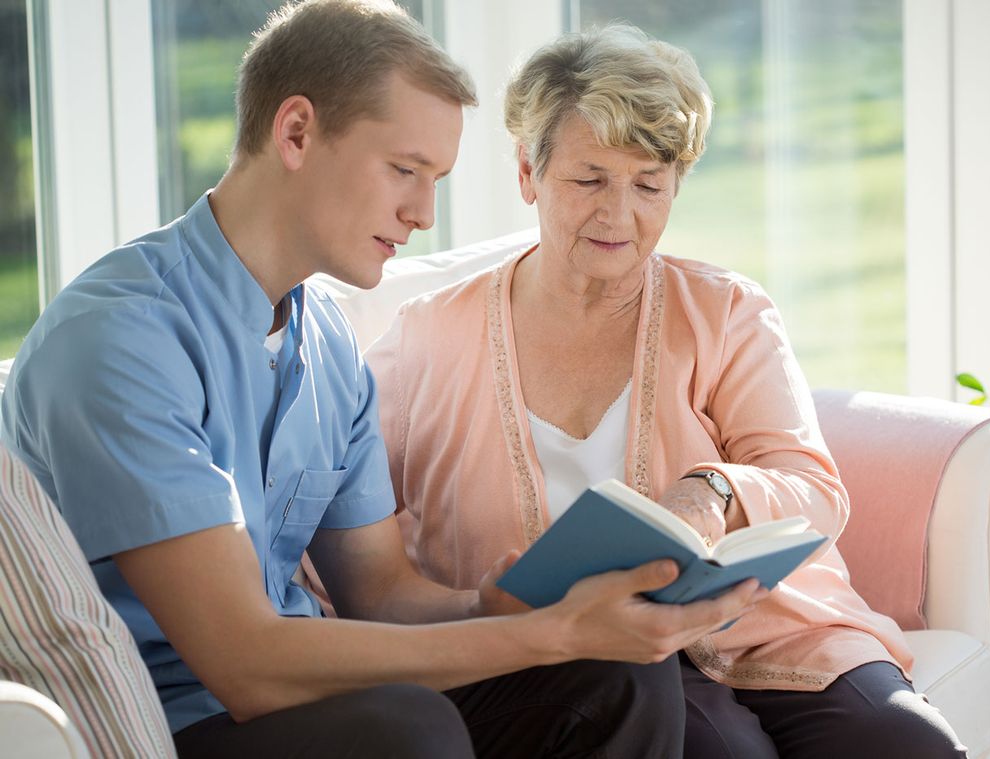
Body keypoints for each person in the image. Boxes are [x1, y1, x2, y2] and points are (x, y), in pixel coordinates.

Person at [0, 3, 762, 758]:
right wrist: (542, 633)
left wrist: (490, 604)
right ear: (295, 132)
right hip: (175, 721)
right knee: (406, 727)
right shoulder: (122, 337)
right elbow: (246, 666)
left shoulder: (326, 340)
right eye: (405, 170)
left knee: (615, 677)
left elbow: (382, 595)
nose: (424, 213)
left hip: (308, 696)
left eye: (435, 179)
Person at [367, 24, 969, 759]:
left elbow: (811, 486)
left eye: (648, 185)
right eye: (588, 179)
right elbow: (347, 528)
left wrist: (713, 490)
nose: (619, 215)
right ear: (528, 171)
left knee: (909, 742)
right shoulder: (424, 339)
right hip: (590, 659)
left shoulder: (725, 312)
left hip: (772, 627)